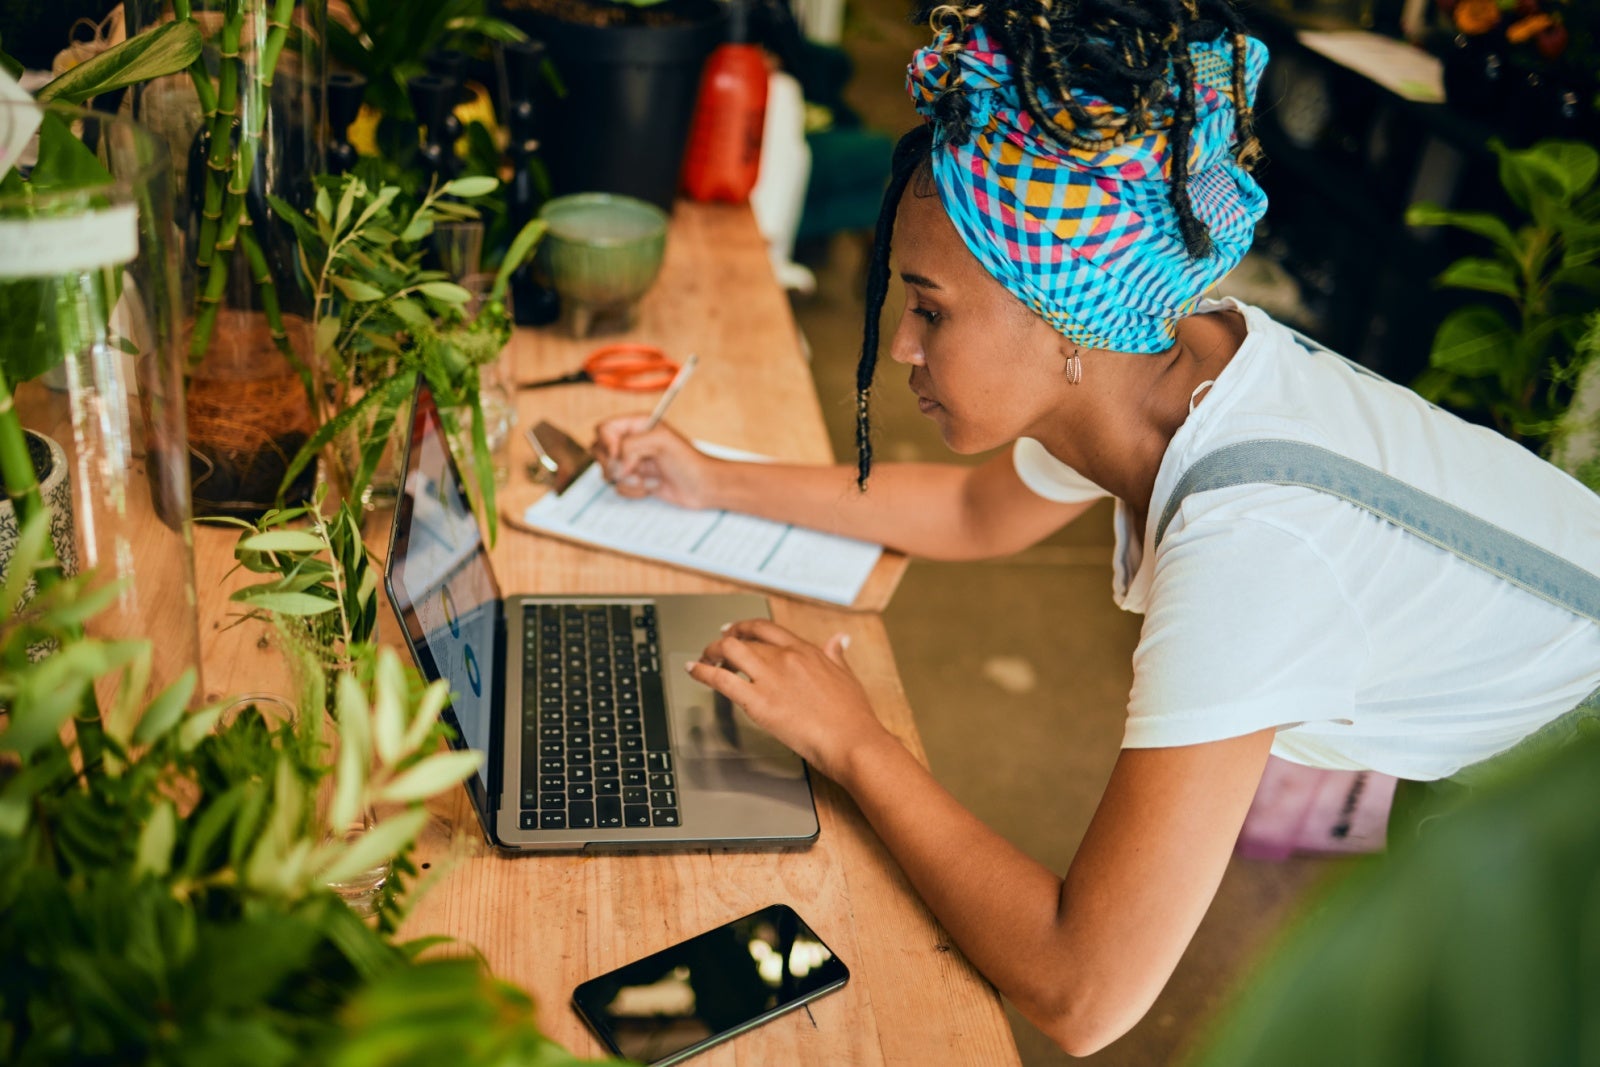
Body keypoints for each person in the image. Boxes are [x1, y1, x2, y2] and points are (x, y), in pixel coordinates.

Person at [593, 0, 1600, 1055]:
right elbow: (976, 510)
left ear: (1063, 316)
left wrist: (855, 741)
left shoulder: (1251, 541)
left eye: (930, 309)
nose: (900, 348)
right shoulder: (1175, 356)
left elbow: (1086, 987)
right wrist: (709, 479)